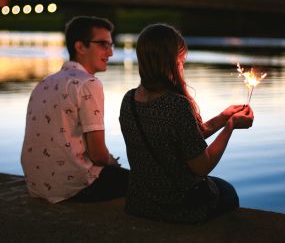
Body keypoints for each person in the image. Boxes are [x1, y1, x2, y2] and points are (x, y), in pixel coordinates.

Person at [119, 23, 254, 223]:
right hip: (176, 206)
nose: (182, 66)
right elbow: (202, 166)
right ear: (170, 62)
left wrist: (223, 116)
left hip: (139, 202)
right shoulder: (176, 104)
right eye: (180, 60)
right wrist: (230, 126)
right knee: (227, 191)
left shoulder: (129, 100)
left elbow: (186, 137)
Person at [21, 16, 129, 203]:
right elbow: (97, 154)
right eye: (103, 44)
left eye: (111, 45)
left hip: (37, 184)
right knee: (144, 184)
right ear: (80, 47)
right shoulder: (88, 84)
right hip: (74, 187)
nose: (110, 53)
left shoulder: (45, 82)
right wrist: (113, 163)